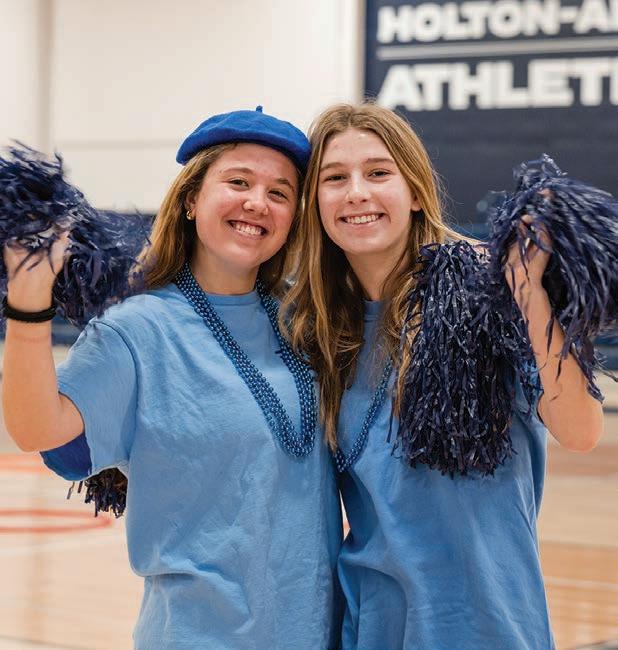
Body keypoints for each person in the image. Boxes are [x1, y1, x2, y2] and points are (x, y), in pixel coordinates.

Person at [2, 107, 342, 649]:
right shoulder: (137, 328)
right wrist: (28, 301)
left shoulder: (306, 325)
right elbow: (39, 431)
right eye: (238, 182)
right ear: (190, 200)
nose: (258, 202)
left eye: (280, 193)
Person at [282, 102, 605, 649]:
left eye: (378, 172)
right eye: (334, 178)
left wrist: (529, 294)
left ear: (414, 190)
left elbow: (581, 431)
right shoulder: (314, 326)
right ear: (314, 202)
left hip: (488, 625)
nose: (356, 192)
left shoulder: (487, 291)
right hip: (373, 625)